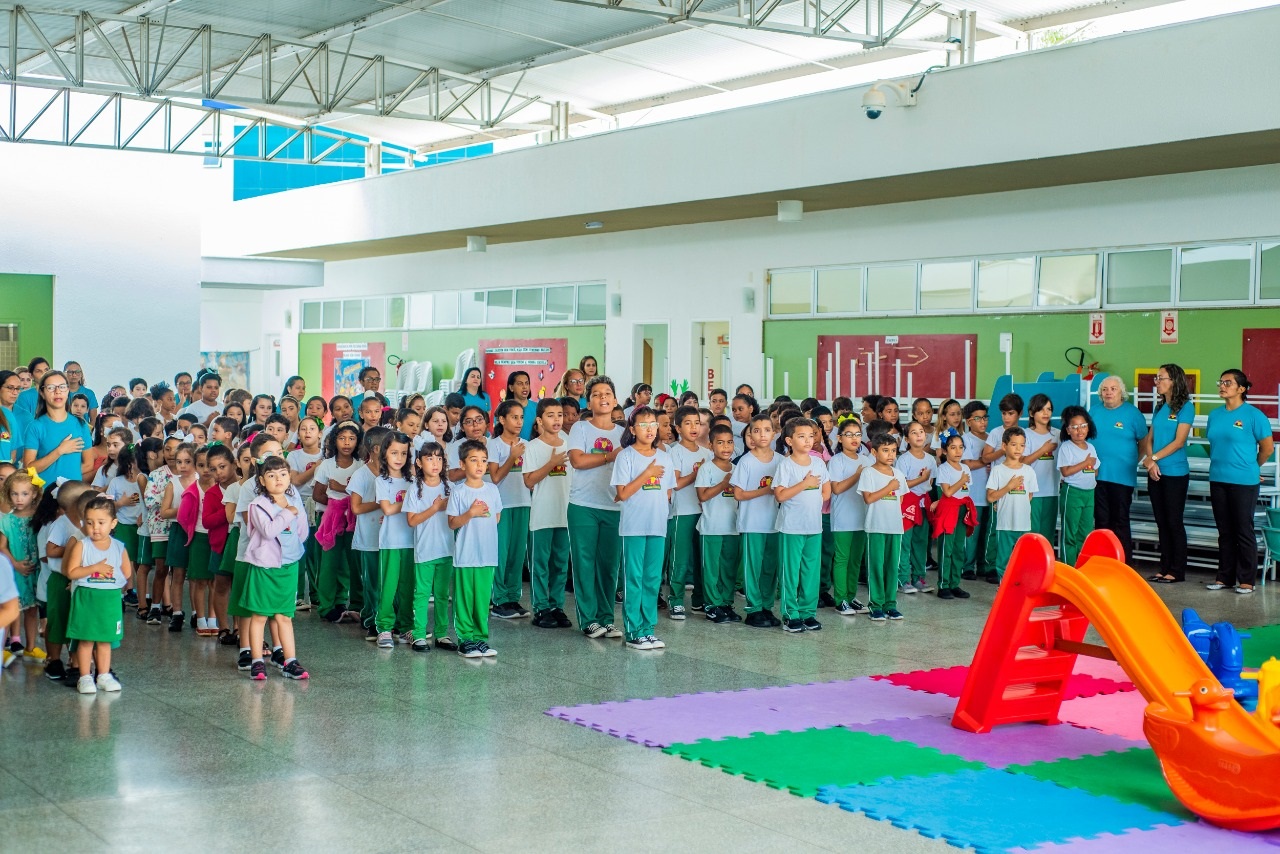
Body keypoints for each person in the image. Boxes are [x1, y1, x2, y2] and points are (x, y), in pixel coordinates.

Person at [241, 454, 310, 680]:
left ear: (289, 476)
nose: (278, 479)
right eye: (271, 475)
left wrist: (292, 513)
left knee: (284, 616)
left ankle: (290, 661)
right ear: (262, 481)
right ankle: (257, 661)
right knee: (259, 615)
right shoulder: (257, 505)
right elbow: (269, 531)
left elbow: (302, 531)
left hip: (288, 565)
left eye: (282, 474)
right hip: (265, 566)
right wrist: (287, 513)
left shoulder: (294, 499)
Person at [566, 376, 625, 640]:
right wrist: (610, 456)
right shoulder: (581, 428)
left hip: (613, 505)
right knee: (584, 563)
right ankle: (589, 620)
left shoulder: (623, 433)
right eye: (597, 393)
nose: (603, 397)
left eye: (608, 393)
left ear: (614, 400)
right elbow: (577, 460)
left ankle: (606, 619)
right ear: (589, 401)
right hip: (583, 505)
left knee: (608, 566)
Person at [611, 406, 674, 650]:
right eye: (643, 424)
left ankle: (648, 629)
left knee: (652, 579)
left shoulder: (665, 456)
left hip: (657, 525)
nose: (649, 429)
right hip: (634, 527)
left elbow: (667, 492)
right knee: (634, 579)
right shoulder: (625, 456)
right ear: (632, 429)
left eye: (653, 424)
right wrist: (647, 473)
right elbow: (623, 493)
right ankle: (633, 630)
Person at [1206, 369, 1274, 595]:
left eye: (1227, 382)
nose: (1222, 386)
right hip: (1217, 478)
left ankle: (1246, 580)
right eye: (1221, 381)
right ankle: (1224, 577)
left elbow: (1267, 448)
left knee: (1243, 529)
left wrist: (1253, 467)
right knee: (1224, 530)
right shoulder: (1214, 415)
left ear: (1241, 389)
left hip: (1244, 481)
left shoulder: (1254, 416)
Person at [63, 495, 132, 693]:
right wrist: (94, 568)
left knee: (104, 639)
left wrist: (114, 579)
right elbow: (71, 572)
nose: (95, 528)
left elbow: (126, 572)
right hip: (87, 597)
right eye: (90, 522)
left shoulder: (119, 547)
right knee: (86, 639)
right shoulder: (82, 545)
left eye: (101, 523)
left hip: (109, 599)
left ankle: (103, 675)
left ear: (113, 523)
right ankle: (84, 677)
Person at [773, 417, 831, 633]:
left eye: (811, 435)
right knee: (791, 572)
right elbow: (780, 495)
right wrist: (805, 484)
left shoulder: (818, 463)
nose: (808, 440)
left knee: (810, 572)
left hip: (814, 527)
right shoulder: (786, 465)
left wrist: (816, 495)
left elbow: (826, 490)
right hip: (791, 527)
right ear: (789, 440)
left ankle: (808, 612)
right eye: (801, 436)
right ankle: (791, 614)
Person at [447, 439, 503, 658]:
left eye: (483, 461)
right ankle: (465, 639)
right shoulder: (459, 492)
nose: (480, 465)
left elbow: (496, 518)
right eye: (473, 460)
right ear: (462, 465)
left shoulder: (492, 489)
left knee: (481, 599)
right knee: (464, 597)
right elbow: (452, 523)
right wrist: (470, 513)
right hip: (465, 554)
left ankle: (480, 638)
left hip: (487, 554)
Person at [1141, 364, 1194, 583]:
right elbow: (1150, 438)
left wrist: (1153, 459)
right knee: (1161, 522)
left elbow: (1179, 442)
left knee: (1173, 521)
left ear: (1174, 380)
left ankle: (1177, 570)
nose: (1157, 381)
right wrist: (1152, 464)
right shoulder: (1159, 407)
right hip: (1156, 472)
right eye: (1156, 377)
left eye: (1161, 378)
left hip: (1175, 473)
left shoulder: (1186, 407)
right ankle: (1164, 568)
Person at [523, 400, 573, 629]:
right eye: (550, 415)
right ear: (540, 420)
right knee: (540, 563)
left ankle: (556, 606)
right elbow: (529, 480)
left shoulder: (570, 444)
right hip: (542, 514)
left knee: (560, 563)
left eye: (560, 415)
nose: (556, 420)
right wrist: (552, 463)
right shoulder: (533, 447)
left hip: (565, 514)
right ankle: (541, 608)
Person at [1088, 375, 1146, 563]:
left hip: (1122, 477)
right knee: (1101, 521)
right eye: (1105, 389)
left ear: (1121, 392)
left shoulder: (1133, 414)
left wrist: (1131, 461)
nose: (1108, 392)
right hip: (1097, 476)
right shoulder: (1093, 412)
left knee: (1120, 521)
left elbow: (1144, 443)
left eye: (1113, 389)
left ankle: (1123, 563)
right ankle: (1102, 561)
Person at [732, 413, 782, 628]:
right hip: (752, 522)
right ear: (750, 434)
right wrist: (764, 490)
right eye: (757, 430)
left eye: (767, 430)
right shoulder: (746, 461)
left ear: (774, 433)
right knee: (753, 566)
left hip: (776, 522)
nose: (762, 434)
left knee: (771, 566)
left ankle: (766, 606)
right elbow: (739, 494)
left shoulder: (781, 461)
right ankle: (753, 608)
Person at [313, 421, 363, 623]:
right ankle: (326, 606)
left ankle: (354, 603)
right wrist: (338, 506)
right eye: (342, 438)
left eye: (352, 438)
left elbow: (365, 494)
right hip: (331, 521)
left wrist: (343, 491)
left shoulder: (360, 466)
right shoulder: (327, 464)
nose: (347, 443)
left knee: (353, 563)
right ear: (334, 441)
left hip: (355, 520)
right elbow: (317, 494)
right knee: (329, 564)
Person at [404, 442, 452, 651]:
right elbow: (412, 521)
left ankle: (442, 634)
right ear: (419, 462)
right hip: (425, 550)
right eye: (430, 458)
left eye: (439, 458)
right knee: (422, 594)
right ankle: (419, 634)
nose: (435, 463)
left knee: (442, 594)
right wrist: (435, 508)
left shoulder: (450, 486)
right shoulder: (414, 488)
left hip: (447, 549)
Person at [666, 406, 712, 620]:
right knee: (680, 558)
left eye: (698, 423)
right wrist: (697, 472)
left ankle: (699, 599)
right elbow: (675, 484)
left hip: (704, 512)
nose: (694, 427)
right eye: (688, 423)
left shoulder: (708, 453)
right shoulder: (674, 452)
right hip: (682, 512)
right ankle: (675, 600)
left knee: (702, 558)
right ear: (678, 427)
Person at [487, 401, 531, 619]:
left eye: (521, 417)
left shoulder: (527, 444)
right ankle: (499, 600)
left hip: (523, 502)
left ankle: (513, 597)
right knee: (501, 553)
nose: (519, 422)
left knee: (517, 552)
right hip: (502, 505)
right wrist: (513, 456)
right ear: (502, 420)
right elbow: (495, 477)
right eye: (514, 417)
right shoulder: (493, 445)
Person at [858, 432, 908, 621]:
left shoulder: (899, 474)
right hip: (876, 526)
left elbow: (900, 498)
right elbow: (869, 498)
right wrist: (889, 487)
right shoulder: (868, 472)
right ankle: (876, 605)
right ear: (874, 452)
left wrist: (893, 487)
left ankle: (890, 604)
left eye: (893, 451)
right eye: (885, 450)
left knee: (891, 567)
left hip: (895, 527)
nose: (890, 455)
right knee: (876, 566)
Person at [373, 431, 415, 649]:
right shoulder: (382, 480)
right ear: (384, 454)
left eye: (404, 453)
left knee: (408, 587)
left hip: (411, 541)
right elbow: (388, 509)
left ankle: (406, 625)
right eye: (394, 453)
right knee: (389, 586)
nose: (399, 458)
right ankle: (384, 627)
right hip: (390, 541)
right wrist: (408, 502)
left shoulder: (413, 481)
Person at [696, 424, 740, 623]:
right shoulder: (706, 468)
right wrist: (723, 484)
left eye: (729, 442)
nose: (726, 447)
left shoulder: (737, 469)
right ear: (710, 445)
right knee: (712, 569)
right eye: (720, 443)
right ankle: (712, 605)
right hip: (711, 526)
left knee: (728, 567)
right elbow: (703, 496)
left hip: (732, 527)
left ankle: (725, 603)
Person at [828, 416, 871, 616]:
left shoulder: (867, 459)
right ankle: (840, 599)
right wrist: (857, 475)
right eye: (849, 434)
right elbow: (836, 488)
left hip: (862, 516)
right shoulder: (836, 461)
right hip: (843, 517)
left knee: (856, 559)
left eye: (857, 434)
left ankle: (851, 596)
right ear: (839, 438)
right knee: (842, 559)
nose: (854, 438)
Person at [987, 427, 1038, 582]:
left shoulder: (1029, 471)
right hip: (1005, 524)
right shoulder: (997, 470)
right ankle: (1003, 588)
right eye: (1014, 444)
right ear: (1004, 446)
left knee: (1022, 560)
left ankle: (1019, 589)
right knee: (1003, 560)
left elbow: (1029, 495)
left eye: (1021, 445)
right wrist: (1009, 487)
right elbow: (990, 497)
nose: (1018, 449)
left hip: (1023, 525)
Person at [24, 371, 93, 485]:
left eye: (62, 387)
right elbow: (29, 469)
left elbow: (89, 464)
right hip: (44, 494)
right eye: (51, 388)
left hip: (72, 495)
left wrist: (67, 479)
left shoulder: (80, 425)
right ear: (42, 393)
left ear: (67, 390)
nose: (57, 392)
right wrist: (59, 451)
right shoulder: (35, 427)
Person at [0, 471, 41, 663]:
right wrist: (15, 564)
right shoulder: (6, 520)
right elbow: (1, 547)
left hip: (34, 571)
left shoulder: (38, 517)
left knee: (32, 610)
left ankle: (31, 647)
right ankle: (3, 649)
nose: (19, 498)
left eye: (24, 494)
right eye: (15, 494)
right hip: (13, 572)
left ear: (33, 494)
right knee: (10, 610)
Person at [931, 430, 973, 600]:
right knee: (946, 548)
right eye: (953, 448)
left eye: (960, 448)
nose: (958, 451)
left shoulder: (965, 467)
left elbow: (967, 490)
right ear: (945, 450)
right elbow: (947, 492)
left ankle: (955, 583)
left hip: (962, 509)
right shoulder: (944, 468)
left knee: (958, 548)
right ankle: (943, 585)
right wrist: (961, 481)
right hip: (949, 510)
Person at [896, 421, 936, 595]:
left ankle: (918, 576)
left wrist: (923, 483)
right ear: (907, 439)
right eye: (914, 432)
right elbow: (902, 484)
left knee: (921, 541)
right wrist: (920, 480)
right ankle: (903, 578)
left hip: (922, 503)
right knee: (906, 542)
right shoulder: (903, 459)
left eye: (921, 431)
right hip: (907, 503)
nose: (919, 435)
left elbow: (931, 482)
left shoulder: (930, 459)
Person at [160, 442, 197, 632]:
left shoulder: (200, 481)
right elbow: (164, 511)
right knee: (178, 573)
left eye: (187, 461)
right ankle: (177, 612)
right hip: (178, 530)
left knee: (196, 576)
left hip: (197, 530)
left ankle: (196, 612)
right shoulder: (172, 483)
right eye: (179, 461)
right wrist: (182, 510)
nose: (182, 465)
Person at [1057, 406, 1099, 566]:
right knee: (1070, 533)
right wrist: (1085, 463)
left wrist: (1089, 468)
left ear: (1088, 427)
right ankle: (1069, 568)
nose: (1079, 430)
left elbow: (1095, 471)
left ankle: (1083, 568)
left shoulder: (1091, 447)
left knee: (1086, 532)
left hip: (1089, 493)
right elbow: (1066, 472)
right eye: (1074, 427)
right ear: (1068, 430)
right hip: (1072, 493)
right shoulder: (1066, 447)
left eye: (1083, 426)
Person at [960, 401, 994, 582]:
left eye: (985, 418)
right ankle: (967, 566)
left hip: (990, 493)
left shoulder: (992, 438)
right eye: (978, 418)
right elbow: (967, 464)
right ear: (968, 421)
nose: (983, 422)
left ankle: (983, 565)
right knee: (971, 533)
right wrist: (988, 460)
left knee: (986, 534)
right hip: (973, 494)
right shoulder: (966, 439)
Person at [1024, 394, 1060, 543]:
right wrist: (1044, 449)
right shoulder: (1026, 434)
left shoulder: (1058, 434)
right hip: (1033, 492)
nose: (1046, 413)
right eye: (1041, 410)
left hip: (1052, 491)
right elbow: (1022, 462)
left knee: (1048, 534)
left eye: (1049, 409)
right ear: (1032, 413)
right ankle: (1030, 565)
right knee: (1032, 534)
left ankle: (1047, 564)